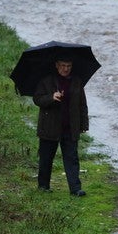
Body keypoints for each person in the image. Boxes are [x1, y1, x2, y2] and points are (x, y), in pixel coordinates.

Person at [33, 53, 89, 196]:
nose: (66, 69)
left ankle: (75, 189)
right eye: (63, 66)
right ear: (57, 65)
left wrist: (83, 124)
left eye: (69, 66)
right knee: (46, 158)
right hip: (49, 127)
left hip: (70, 127)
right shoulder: (46, 81)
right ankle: (43, 186)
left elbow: (82, 104)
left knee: (72, 158)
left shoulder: (77, 81)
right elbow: (37, 99)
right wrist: (51, 97)